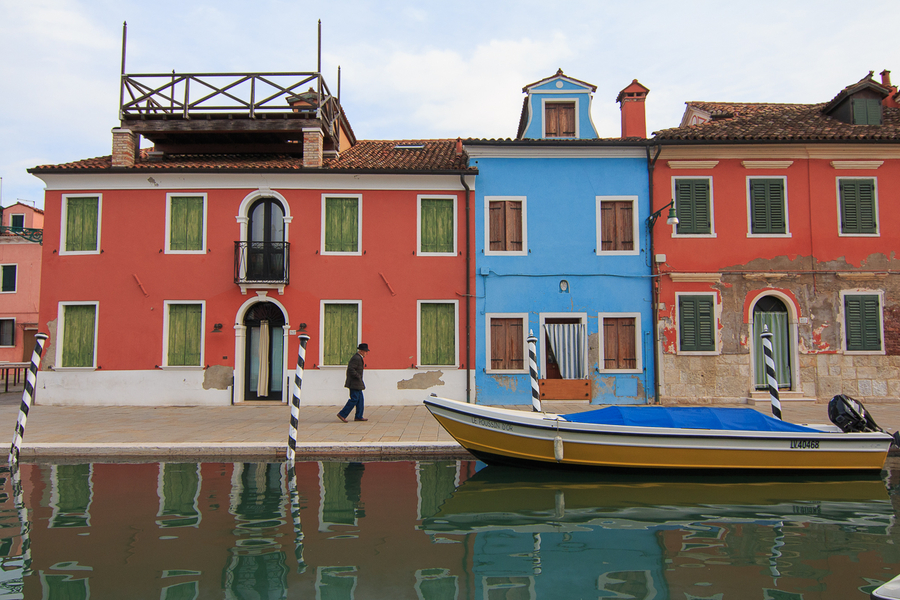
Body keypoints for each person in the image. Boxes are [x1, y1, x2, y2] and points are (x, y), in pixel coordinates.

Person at [338, 343, 369, 422]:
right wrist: (357, 376)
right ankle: (342, 414)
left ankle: (358, 416)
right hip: (354, 383)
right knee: (354, 399)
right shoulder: (356, 358)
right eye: (365, 351)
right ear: (361, 351)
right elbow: (351, 369)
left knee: (360, 400)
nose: (366, 353)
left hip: (357, 383)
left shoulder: (359, 358)